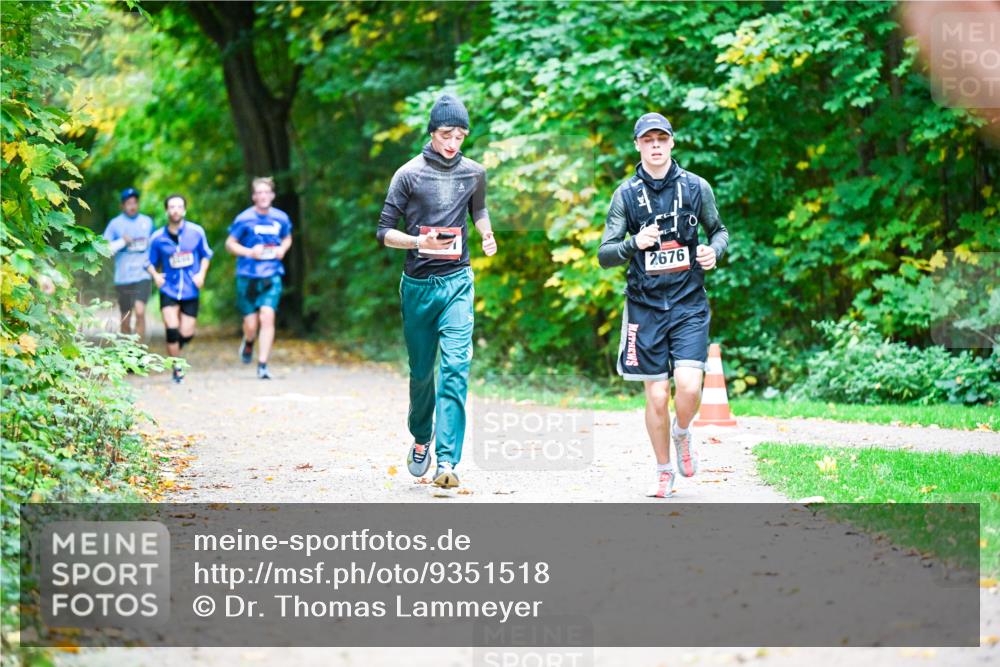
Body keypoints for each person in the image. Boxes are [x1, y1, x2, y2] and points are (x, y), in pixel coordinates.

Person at [598, 113, 729, 499]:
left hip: (688, 303)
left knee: (688, 387)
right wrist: (633, 243)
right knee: (656, 396)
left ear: (671, 143)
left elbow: (719, 231)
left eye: (661, 139)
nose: (655, 146)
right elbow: (605, 254)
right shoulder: (625, 195)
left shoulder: (695, 187)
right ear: (637, 145)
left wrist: (713, 251)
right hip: (645, 306)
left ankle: (682, 432)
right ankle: (663, 470)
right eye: (647, 140)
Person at [377, 94, 497, 489]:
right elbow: (383, 232)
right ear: (432, 132)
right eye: (447, 135)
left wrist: (486, 232)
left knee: (456, 367)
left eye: (460, 136)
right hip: (418, 286)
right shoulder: (408, 174)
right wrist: (417, 243)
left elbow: (478, 209)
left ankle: (447, 461)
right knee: (421, 373)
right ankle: (420, 437)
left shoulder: (474, 172)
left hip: (457, 282)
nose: (453, 143)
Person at [224, 177, 292, 380]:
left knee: (267, 316)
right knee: (251, 325)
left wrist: (282, 249)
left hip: (272, 274)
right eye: (259, 193)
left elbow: (287, 237)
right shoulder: (244, 219)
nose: (263, 196)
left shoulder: (281, 218)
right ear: (254, 197)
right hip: (247, 276)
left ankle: (262, 365)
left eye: (266, 192)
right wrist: (249, 252)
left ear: (272, 195)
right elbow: (230, 244)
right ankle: (249, 340)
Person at [145, 194, 213, 384]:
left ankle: (174, 350)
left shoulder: (196, 232)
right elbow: (149, 262)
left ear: (184, 210)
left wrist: (201, 274)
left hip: (191, 289)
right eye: (172, 207)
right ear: (167, 210)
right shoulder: (158, 237)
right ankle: (176, 368)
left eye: (179, 207)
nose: (175, 210)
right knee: (172, 330)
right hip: (169, 289)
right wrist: (156, 276)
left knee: (186, 334)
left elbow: (206, 254)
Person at [102, 187, 154, 337]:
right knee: (126, 315)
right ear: (122, 205)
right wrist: (122, 242)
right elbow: (104, 249)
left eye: (135, 202)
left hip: (143, 274)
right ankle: (126, 346)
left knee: (140, 311)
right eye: (129, 203)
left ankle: (139, 347)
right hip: (123, 276)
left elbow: (155, 245)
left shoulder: (147, 222)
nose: (132, 206)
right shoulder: (115, 224)